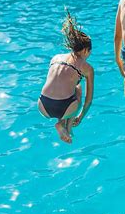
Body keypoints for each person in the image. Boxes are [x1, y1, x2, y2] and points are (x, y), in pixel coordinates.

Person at [38, 9, 94, 144]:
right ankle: (66, 126)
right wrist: (80, 117)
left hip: (42, 106)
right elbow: (89, 100)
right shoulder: (87, 68)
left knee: (70, 87)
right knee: (78, 89)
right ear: (86, 50)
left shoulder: (55, 57)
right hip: (65, 108)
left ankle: (60, 123)